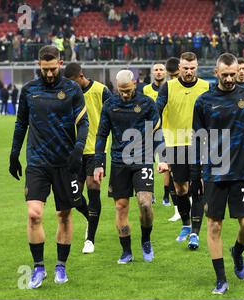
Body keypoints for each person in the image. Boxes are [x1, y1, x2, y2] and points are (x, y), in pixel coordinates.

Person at [9, 45, 89, 289]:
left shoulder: (72, 89)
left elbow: (83, 122)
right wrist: (14, 154)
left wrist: (78, 149)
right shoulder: (30, 90)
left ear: (60, 63)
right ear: (38, 65)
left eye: (53, 69)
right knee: (34, 214)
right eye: (45, 70)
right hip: (37, 161)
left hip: (65, 162)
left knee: (64, 215)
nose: (50, 74)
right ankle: (39, 268)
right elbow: (21, 123)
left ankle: (61, 267)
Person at [190, 53, 244, 294]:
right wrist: (195, 174)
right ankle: (221, 279)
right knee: (214, 226)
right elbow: (198, 139)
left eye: (233, 74)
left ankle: (237, 251)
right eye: (224, 74)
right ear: (216, 73)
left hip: (243, 170)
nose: (230, 78)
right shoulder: (204, 101)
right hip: (214, 172)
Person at [93, 70, 168, 264]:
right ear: (116, 87)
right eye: (121, 91)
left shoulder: (146, 104)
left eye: (127, 90)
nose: (125, 94)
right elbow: (101, 135)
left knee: (145, 203)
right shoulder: (110, 105)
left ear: (134, 83)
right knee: (121, 206)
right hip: (119, 161)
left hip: (143, 158)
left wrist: (163, 158)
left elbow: (157, 131)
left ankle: (145, 240)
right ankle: (126, 251)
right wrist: (99, 164)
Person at [156, 52, 210, 250]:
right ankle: (186, 224)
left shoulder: (206, 87)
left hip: (199, 144)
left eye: (192, 68)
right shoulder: (168, 87)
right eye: (185, 68)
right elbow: (156, 111)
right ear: (179, 68)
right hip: (175, 144)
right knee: (180, 189)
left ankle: (195, 232)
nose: (189, 72)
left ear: (197, 67)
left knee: (198, 187)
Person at [64, 62, 112, 254]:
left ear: (81, 76)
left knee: (93, 189)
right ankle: (90, 216)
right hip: (74, 151)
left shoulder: (101, 90)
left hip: (95, 150)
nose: (71, 86)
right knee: (73, 196)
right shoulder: (67, 94)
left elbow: (112, 115)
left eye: (73, 82)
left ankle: (90, 239)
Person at [140, 63, 170, 206]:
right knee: (148, 163)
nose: (158, 72)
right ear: (152, 73)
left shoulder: (171, 87)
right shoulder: (145, 89)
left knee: (166, 163)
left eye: (161, 70)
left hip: (166, 129)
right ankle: (150, 194)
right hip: (149, 130)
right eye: (156, 70)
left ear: (165, 73)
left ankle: (166, 195)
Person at [164, 57, 181, 222]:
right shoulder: (166, 89)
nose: (174, 79)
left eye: (176, 75)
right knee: (171, 173)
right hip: (168, 137)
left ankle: (191, 206)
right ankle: (177, 210)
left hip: (189, 137)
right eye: (172, 76)